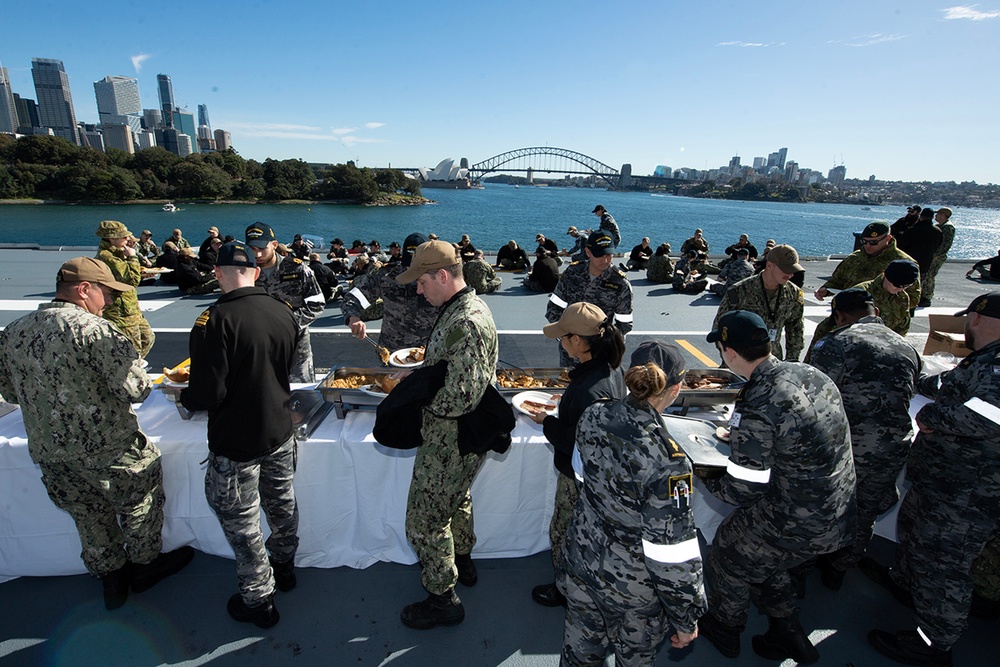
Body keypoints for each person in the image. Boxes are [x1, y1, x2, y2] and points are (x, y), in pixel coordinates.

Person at [0, 257, 193, 611]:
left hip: (50, 451)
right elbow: (136, 389)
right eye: (104, 292)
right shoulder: (96, 331)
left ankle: (111, 578)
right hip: (109, 447)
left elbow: (10, 393)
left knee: (87, 513)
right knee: (140, 503)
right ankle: (144, 566)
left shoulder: (13, 332)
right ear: (84, 289)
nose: (107, 301)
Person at [698, 311, 856, 664]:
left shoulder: (758, 399)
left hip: (798, 517)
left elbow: (744, 489)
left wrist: (702, 474)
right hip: (841, 510)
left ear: (729, 353)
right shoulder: (809, 373)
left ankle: (725, 627)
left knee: (728, 551)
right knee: (767, 557)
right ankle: (786, 630)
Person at [868, 293, 1000, 666]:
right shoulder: (985, 361)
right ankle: (905, 582)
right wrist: (922, 383)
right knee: (914, 532)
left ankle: (932, 644)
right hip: (942, 481)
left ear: (976, 319)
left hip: (969, 492)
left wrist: (932, 418)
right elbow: (951, 386)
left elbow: (990, 416)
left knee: (945, 565)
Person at [560, 341, 706, 665]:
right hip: (632, 589)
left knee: (579, 655)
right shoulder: (671, 464)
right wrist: (686, 616)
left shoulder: (594, 415)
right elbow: (670, 551)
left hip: (583, 561)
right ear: (676, 388)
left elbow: (582, 477)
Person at [180, 241, 300, 629]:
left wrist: (184, 394)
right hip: (280, 430)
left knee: (241, 521)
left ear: (217, 273)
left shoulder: (212, 320)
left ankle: (258, 600)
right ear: (256, 272)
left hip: (237, 441)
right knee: (282, 504)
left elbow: (206, 394)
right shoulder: (283, 312)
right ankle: (284, 566)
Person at [393, 240, 499, 629]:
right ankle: (463, 560)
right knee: (457, 498)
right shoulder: (460, 308)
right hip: (463, 438)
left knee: (423, 520)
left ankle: (443, 598)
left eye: (421, 282)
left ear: (442, 275)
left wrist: (414, 393)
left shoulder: (465, 322)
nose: (417, 290)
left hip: (448, 439)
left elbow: (459, 398)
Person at [807, 289, 920, 590]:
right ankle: (840, 568)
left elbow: (813, 399)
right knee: (865, 511)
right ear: (876, 312)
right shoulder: (906, 347)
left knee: (822, 506)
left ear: (839, 316)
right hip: (892, 447)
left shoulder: (834, 344)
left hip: (846, 449)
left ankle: (806, 565)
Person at [527, 303, 626, 609]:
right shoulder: (608, 370)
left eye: (564, 337)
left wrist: (547, 422)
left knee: (565, 532)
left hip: (579, 478)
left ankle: (566, 590)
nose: (561, 341)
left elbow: (577, 441)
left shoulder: (587, 390)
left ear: (580, 342)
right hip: (603, 474)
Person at [245, 222, 325, 383]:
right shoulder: (244, 271)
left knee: (302, 396)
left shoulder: (297, 269)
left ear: (274, 245)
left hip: (296, 347)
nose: (257, 255)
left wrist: (287, 324)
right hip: (260, 348)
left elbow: (317, 303)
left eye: (261, 249)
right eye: (252, 249)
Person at [343, 232, 441, 357]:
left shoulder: (439, 278)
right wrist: (353, 318)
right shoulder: (385, 275)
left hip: (427, 355)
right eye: (409, 266)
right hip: (390, 354)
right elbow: (351, 299)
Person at [546, 231, 633, 367]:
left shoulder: (620, 284)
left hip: (598, 357)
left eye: (609, 255)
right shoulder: (572, 273)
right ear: (588, 252)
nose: (605, 260)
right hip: (569, 354)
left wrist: (601, 345)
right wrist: (565, 336)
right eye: (599, 255)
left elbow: (624, 325)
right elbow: (554, 307)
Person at [805, 259, 920, 361]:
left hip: (877, 350)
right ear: (886, 275)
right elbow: (841, 326)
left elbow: (901, 327)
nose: (900, 290)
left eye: (905, 287)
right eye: (897, 285)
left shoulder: (903, 298)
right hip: (842, 345)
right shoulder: (861, 293)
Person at [713, 244, 805, 361]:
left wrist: (792, 362)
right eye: (786, 270)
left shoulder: (794, 294)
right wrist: (731, 359)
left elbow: (796, 331)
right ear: (769, 265)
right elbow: (719, 328)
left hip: (773, 363)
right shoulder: (739, 291)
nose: (791, 274)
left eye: (793, 270)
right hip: (740, 363)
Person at [815, 221, 921, 309]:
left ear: (888, 239)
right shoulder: (855, 258)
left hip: (884, 319)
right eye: (864, 242)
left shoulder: (903, 263)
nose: (868, 246)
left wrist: (880, 300)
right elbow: (838, 280)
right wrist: (826, 290)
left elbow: (913, 298)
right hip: (849, 312)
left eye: (874, 242)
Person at [95, 220, 155, 358]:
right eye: (124, 236)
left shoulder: (117, 253)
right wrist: (133, 257)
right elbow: (131, 280)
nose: (128, 239)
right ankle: (130, 372)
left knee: (148, 338)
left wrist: (142, 273)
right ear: (112, 238)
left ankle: (134, 367)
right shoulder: (107, 256)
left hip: (131, 309)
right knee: (132, 350)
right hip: (121, 311)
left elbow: (125, 277)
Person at [895, 208, 942, 302]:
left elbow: (901, 245)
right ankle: (915, 302)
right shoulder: (938, 231)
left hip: (910, 261)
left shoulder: (913, 230)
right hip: (926, 262)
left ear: (921, 216)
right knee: (919, 284)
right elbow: (938, 247)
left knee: (906, 284)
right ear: (932, 217)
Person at [922, 207, 954, 306]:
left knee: (929, 276)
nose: (935, 216)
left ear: (943, 215)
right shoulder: (941, 226)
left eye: (938, 214)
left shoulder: (948, 227)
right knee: (927, 275)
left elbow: (945, 244)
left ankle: (927, 297)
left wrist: (935, 255)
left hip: (937, 257)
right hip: (933, 255)